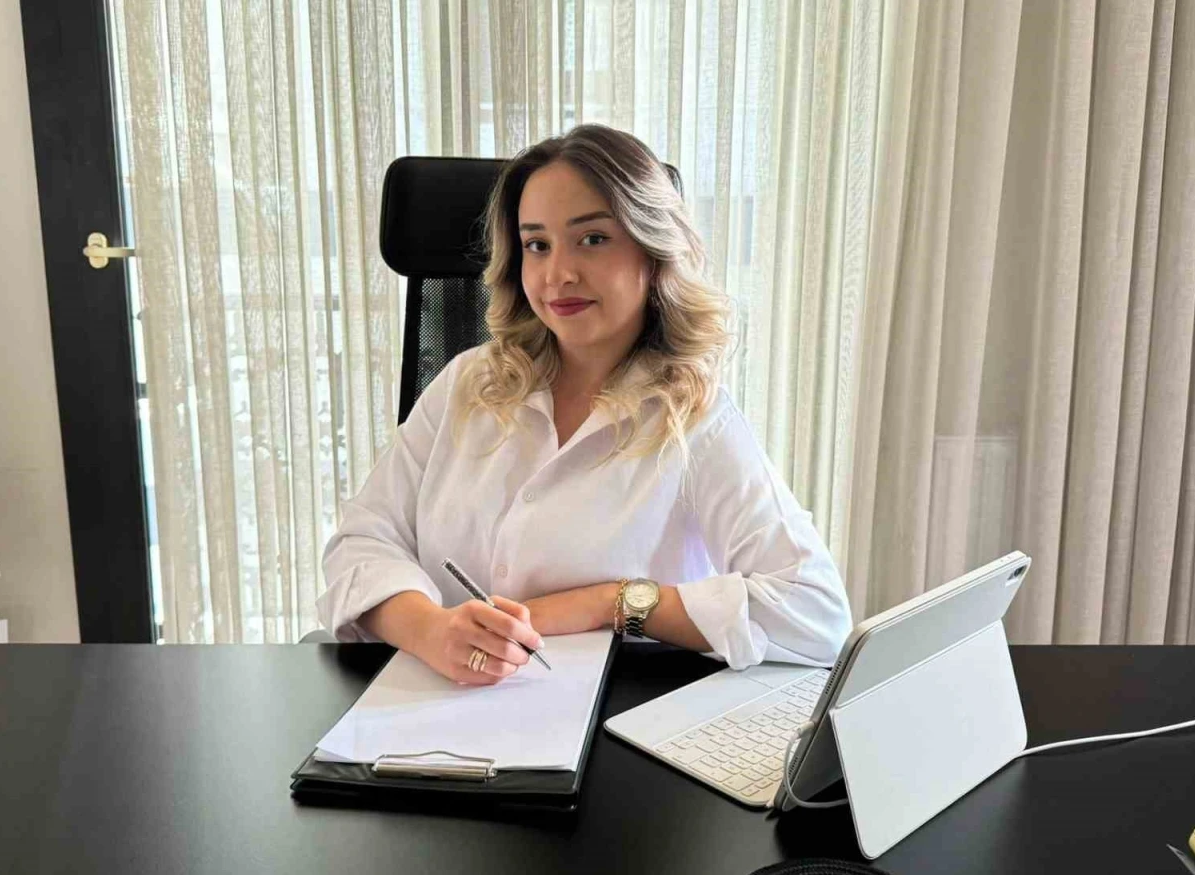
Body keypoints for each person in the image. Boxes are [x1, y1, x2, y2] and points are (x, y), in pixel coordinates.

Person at [317, 123, 851, 685]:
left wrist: (613, 602)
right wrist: (431, 629)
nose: (558, 274)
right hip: (429, 703)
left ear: (652, 252)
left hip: (607, 714)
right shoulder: (466, 384)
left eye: (593, 239)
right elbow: (361, 541)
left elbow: (814, 613)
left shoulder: (696, 418)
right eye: (537, 245)